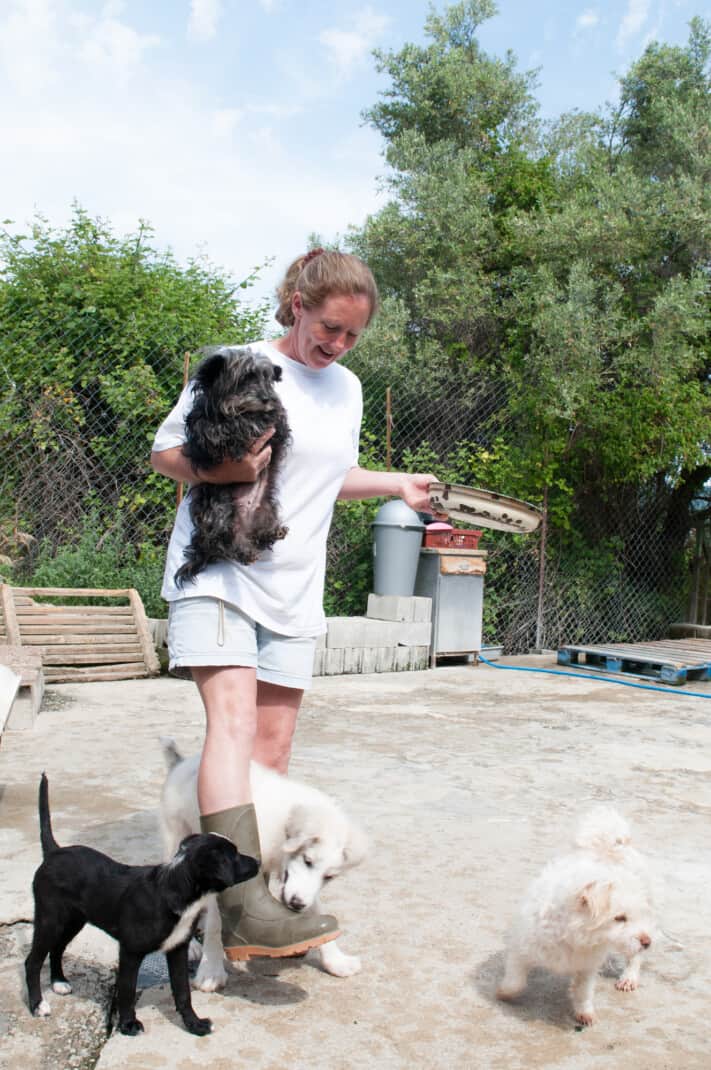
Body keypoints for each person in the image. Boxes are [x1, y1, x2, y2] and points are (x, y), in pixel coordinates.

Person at [150, 249, 437, 961]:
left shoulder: (347, 387)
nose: (335, 345)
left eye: (351, 336)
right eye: (328, 327)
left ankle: (262, 906)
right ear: (298, 304)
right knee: (234, 727)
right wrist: (223, 468)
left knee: (272, 754)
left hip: (294, 588)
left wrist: (396, 483)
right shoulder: (239, 365)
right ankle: (240, 907)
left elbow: (324, 476)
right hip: (220, 572)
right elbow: (164, 452)